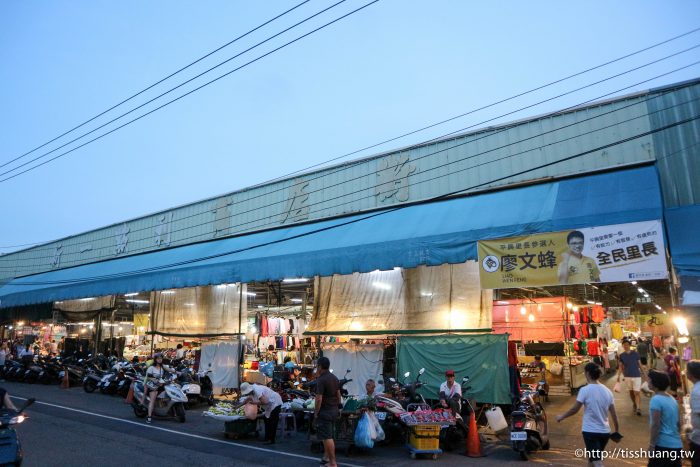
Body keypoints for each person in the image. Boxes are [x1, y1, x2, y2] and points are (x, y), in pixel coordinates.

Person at [556, 362, 620, 467]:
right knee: (592, 460)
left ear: (588, 374)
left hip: (591, 432)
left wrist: (561, 416)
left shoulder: (585, 390)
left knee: (597, 461)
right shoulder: (608, 391)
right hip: (605, 433)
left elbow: (574, 409)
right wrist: (616, 431)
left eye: (585, 372)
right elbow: (614, 415)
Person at [647, 370, 683, 467]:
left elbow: (655, 425)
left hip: (663, 445)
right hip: (676, 445)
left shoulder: (656, 400)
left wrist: (652, 445)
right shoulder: (672, 399)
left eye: (649, 380)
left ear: (655, 383)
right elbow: (679, 424)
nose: (647, 382)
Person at [314, 356, 341, 467]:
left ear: (320, 366)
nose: (317, 368)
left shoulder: (321, 379)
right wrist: (339, 407)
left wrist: (316, 412)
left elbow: (319, 398)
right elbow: (338, 394)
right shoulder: (334, 378)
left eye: (317, 366)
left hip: (325, 411)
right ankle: (326, 458)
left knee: (327, 437)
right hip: (334, 410)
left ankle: (333, 463)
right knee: (328, 436)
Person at [142, 353, 175, 424]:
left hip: (161, 384)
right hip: (153, 386)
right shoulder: (151, 368)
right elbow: (149, 377)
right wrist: (156, 381)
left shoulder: (162, 366)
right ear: (155, 359)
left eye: (161, 358)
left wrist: (178, 372)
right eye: (158, 358)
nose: (160, 360)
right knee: (152, 400)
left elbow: (170, 370)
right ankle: (149, 416)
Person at [618, 339, 643, 416]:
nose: (626, 346)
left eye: (627, 345)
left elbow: (640, 364)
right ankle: (634, 404)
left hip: (637, 375)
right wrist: (618, 376)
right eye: (624, 345)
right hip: (627, 375)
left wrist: (645, 374)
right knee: (631, 392)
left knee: (637, 392)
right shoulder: (621, 356)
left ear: (629, 345)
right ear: (623, 346)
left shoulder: (635, 354)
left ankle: (638, 408)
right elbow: (620, 367)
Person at [685, 360, 700, 467]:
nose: (685, 372)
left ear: (691, 374)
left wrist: (689, 432)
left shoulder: (696, 391)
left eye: (687, 370)